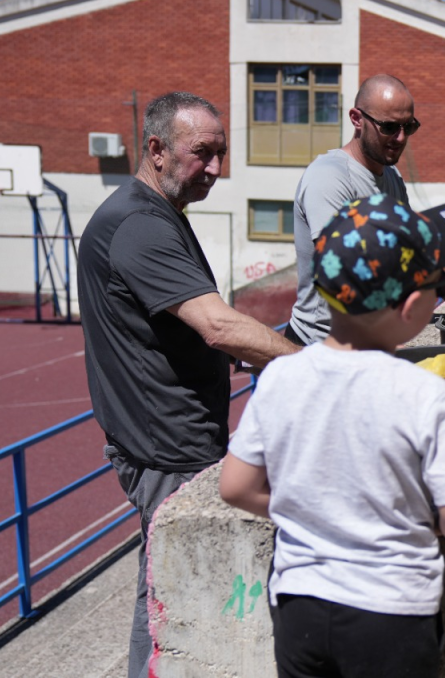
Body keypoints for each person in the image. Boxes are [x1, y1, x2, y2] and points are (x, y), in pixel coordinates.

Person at [77, 91, 301, 678]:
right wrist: (314, 367)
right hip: (166, 448)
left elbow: (180, 330)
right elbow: (218, 324)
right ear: (157, 149)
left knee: (162, 589)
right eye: (203, 152)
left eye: (221, 153)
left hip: (173, 439)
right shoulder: (138, 224)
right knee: (174, 599)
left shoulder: (155, 214)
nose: (216, 168)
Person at [219, 196, 445, 677]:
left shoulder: (281, 377)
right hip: (392, 613)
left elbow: (235, 487)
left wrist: (312, 508)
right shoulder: (424, 392)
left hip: (300, 608)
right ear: (413, 307)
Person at [286, 74, 445, 346]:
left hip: (369, 341)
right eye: (388, 127)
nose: (400, 138)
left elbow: (418, 254)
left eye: (408, 127)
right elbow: (344, 272)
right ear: (356, 119)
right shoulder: (329, 178)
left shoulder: (391, 176)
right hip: (318, 344)